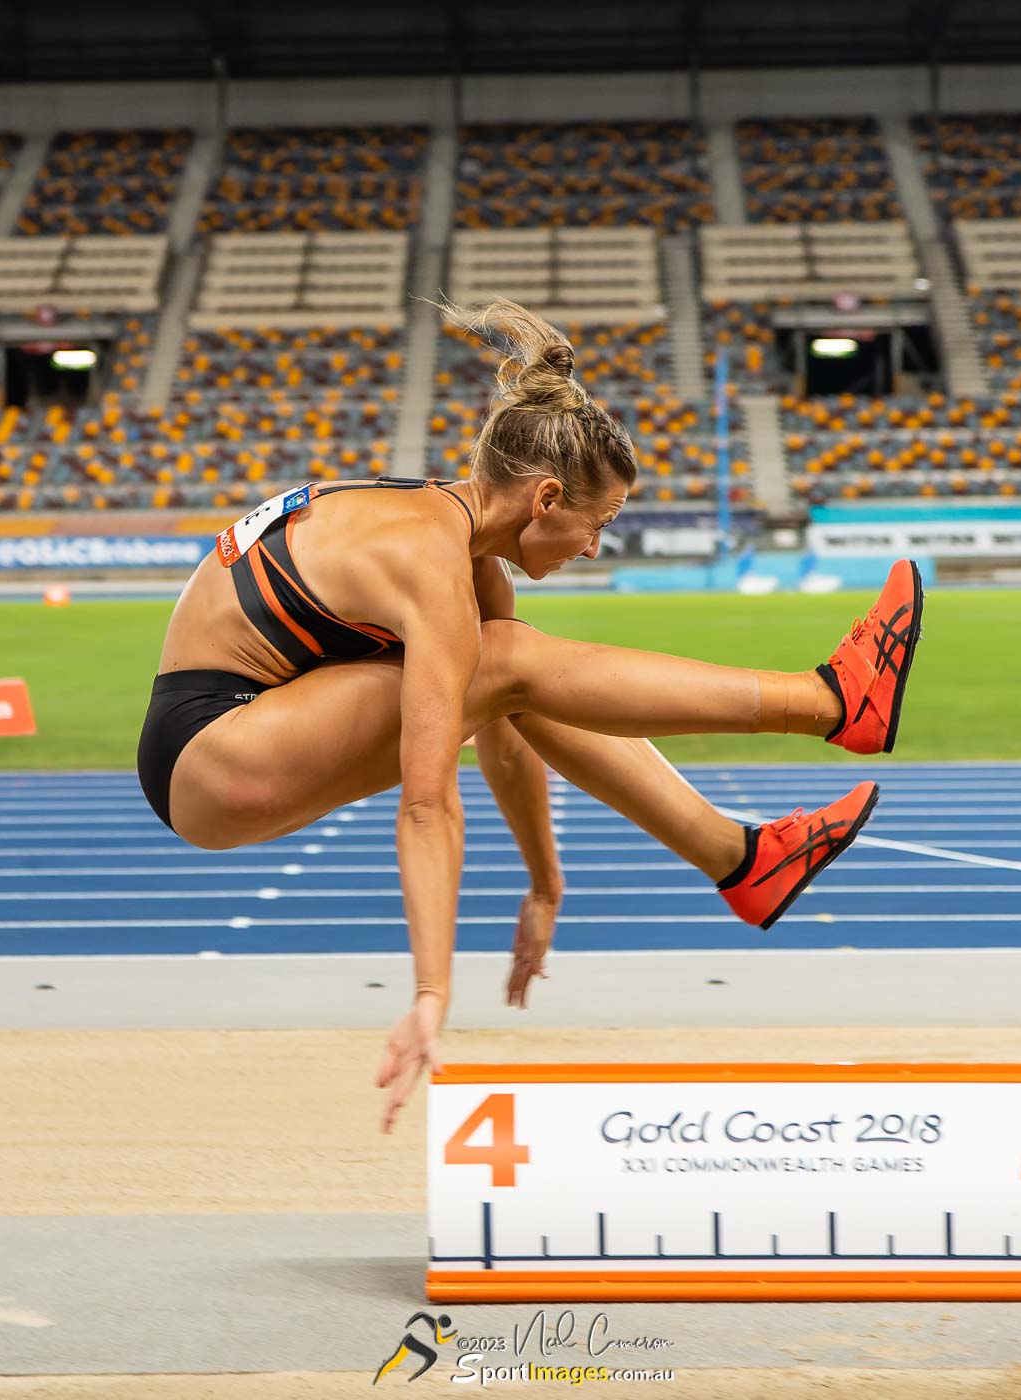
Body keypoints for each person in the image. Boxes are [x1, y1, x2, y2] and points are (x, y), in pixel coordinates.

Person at [137, 298, 923, 1133]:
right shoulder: (426, 559)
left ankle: (742, 859)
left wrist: (545, 886)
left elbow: (507, 732)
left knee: (504, 660)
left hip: (243, 729)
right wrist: (431, 995)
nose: (594, 548)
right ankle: (831, 701)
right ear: (546, 498)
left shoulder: (463, 544)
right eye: (600, 524)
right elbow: (427, 799)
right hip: (213, 749)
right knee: (505, 658)